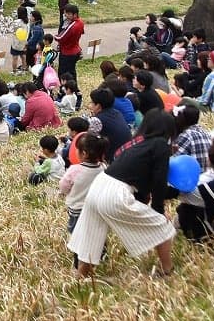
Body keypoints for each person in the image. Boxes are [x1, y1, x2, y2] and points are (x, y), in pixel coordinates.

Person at [67, 110, 176, 279]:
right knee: (162, 225)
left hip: (99, 186)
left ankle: (81, 276)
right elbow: (159, 181)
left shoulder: (137, 144)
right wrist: (159, 210)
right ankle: (167, 271)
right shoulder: (160, 145)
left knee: (91, 235)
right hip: (115, 193)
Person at [58, 132, 107, 267]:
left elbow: (63, 186)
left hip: (77, 210)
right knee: (97, 233)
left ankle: (79, 263)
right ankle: (101, 255)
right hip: (97, 209)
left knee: (78, 236)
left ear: (84, 153)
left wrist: (64, 193)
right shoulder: (103, 168)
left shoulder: (75, 170)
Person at [57, 5, 84, 81]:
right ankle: (74, 87)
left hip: (67, 53)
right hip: (75, 50)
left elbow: (60, 38)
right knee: (72, 72)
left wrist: (54, 36)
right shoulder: (80, 22)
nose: (66, 16)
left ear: (75, 14)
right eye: (65, 13)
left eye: (68, 14)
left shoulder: (72, 26)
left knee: (63, 74)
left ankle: (64, 87)